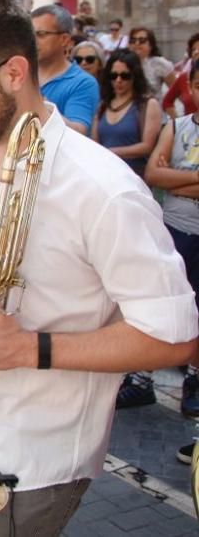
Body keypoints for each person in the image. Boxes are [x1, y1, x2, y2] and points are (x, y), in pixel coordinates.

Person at [0, 0, 197, 537]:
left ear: (13, 72)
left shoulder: (104, 190)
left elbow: (175, 337)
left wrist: (32, 348)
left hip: (33, 460)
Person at [145, 61, 199, 423]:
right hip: (177, 228)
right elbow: (152, 173)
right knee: (179, 301)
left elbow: (165, 176)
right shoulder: (177, 127)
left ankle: (194, 379)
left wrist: (175, 178)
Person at [92, 49, 161, 179]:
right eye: (113, 75)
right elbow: (95, 143)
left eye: (125, 76)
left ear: (135, 76)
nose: (118, 80)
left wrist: (112, 152)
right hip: (105, 175)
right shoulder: (103, 105)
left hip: (134, 176)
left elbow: (147, 146)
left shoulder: (148, 105)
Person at [31, 5, 99, 135]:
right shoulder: (22, 76)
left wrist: (39, 104)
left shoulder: (83, 83)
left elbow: (78, 131)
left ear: (64, 40)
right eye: (30, 34)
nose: (33, 41)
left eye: (41, 34)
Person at [128, 26, 176, 97]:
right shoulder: (122, 63)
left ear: (151, 45)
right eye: (133, 40)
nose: (137, 43)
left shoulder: (160, 64)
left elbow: (177, 92)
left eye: (142, 40)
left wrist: (169, 106)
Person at [162, 33, 199, 118]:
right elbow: (167, 102)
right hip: (190, 128)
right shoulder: (184, 78)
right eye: (194, 49)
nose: (197, 52)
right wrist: (178, 123)